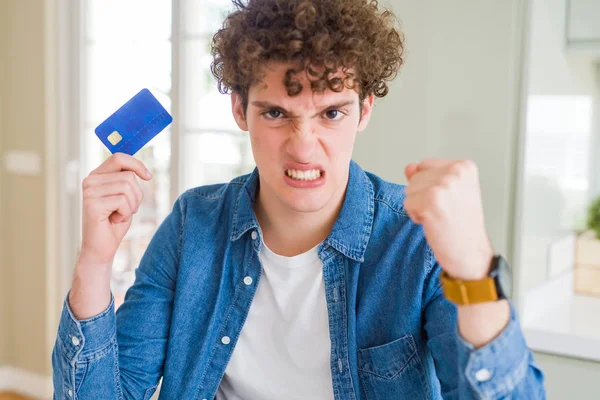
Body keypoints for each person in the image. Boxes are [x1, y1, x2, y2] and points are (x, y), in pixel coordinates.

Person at [52, 0, 545, 398]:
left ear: (364, 109)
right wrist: (95, 260)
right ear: (240, 110)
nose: (304, 145)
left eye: (331, 114)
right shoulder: (191, 226)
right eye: (275, 114)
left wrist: (475, 273)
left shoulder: (415, 242)